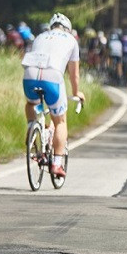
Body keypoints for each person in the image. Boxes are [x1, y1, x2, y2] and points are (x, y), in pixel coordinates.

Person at [20, 13, 85, 178]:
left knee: (31, 104)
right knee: (60, 121)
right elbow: (74, 75)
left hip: (30, 74)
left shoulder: (40, 36)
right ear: (68, 29)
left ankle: (31, 130)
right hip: (53, 76)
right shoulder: (71, 40)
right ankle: (56, 163)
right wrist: (76, 93)